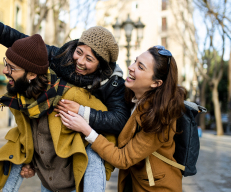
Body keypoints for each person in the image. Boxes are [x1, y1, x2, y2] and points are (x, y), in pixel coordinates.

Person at [0, 8, 131, 191]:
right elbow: (22, 43)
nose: (80, 61)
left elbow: (120, 120)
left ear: (102, 64)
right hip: (54, 158)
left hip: (85, 152)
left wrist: (82, 112)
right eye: (79, 51)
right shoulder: (62, 58)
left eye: (89, 59)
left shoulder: (113, 83)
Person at [0, 34, 116, 192]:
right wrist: (30, 162)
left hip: (76, 186)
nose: (5, 70)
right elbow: (27, 136)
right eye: (7, 64)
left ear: (33, 75)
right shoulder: (19, 99)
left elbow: (111, 129)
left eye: (12, 68)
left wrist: (100, 172)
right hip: (47, 185)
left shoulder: (70, 95)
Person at [59, 46, 187, 191]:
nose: (131, 67)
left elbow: (123, 158)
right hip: (134, 183)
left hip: (157, 188)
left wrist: (85, 129)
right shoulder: (131, 98)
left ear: (156, 83)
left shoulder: (161, 118)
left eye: (140, 67)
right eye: (135, 61)